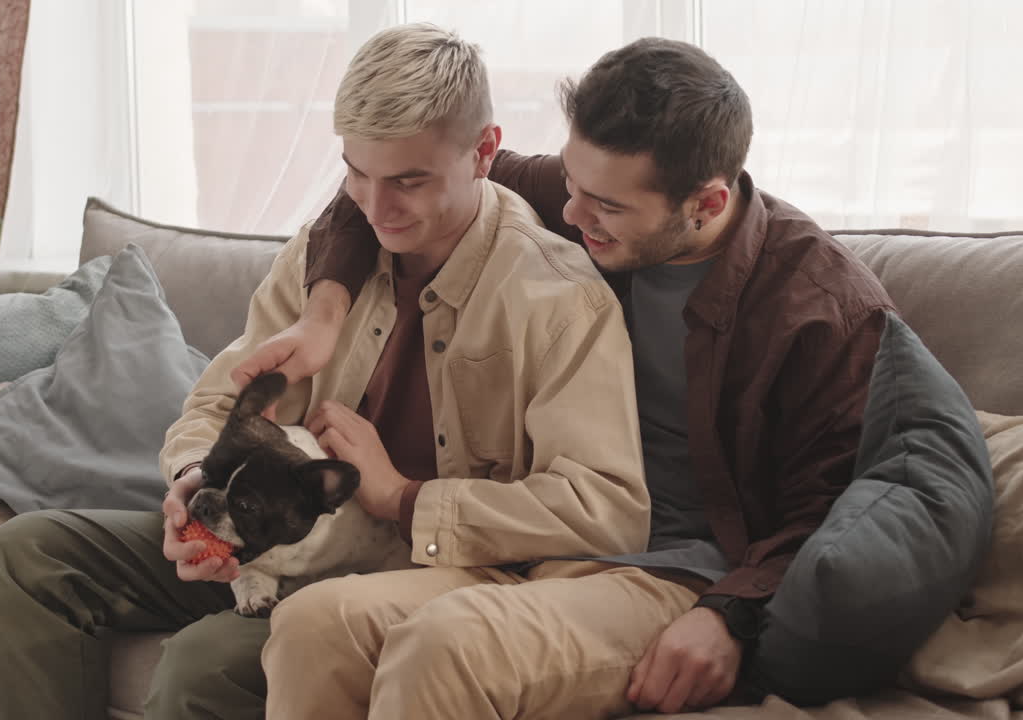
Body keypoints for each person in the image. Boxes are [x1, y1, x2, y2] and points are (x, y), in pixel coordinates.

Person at [0, 23, 663, 720]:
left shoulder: (557, 299)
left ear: (484, 152)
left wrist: (406, 498)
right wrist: (196, 479)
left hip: (430, 573)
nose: (375, 206)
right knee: (29, 556)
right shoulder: (325, 256)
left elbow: (605, 508)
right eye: (357, 173)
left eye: (409, 181)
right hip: (270, 539)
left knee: (202, 666)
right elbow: (219, 403)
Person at [233, 37, 900, 715]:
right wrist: (324, 313)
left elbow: (835, 511)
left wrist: (732, 614)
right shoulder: (593, 190)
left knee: (445, 644)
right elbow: (387, 182)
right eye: (572, 186)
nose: (572, 217)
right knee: (312, 625)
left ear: (706, 203)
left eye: (604, 205)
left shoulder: (820, 311)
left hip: (673, 572)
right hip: (526, 555)